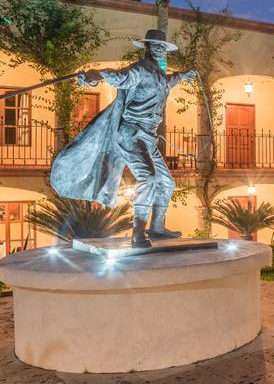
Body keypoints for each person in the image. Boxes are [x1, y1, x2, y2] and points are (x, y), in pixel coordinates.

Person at [49, 29, 197, 247]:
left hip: (148, 138)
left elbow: (168, 81)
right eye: (155, 46)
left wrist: (183, 76)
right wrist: (98, 75)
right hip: (131, 133)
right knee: (148, 178)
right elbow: (121, 77)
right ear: (146, 48)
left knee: (166, 182)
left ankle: (156, 227)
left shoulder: (157, 74)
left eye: (162, 47)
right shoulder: (141, 69)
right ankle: (138, 233)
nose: (159, 50)